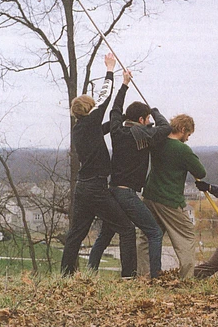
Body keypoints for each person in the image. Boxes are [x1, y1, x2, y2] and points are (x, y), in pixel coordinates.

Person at [87, 69, 172, 278]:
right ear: (142, 119)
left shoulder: (117, 131)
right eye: (147, 119)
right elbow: (166, 127)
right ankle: (155, 276)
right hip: (127, 194)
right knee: (154, 232)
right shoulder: (144, 135)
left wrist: (124, 84)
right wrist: (156, 110)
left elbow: (115, 110)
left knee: (105, 235)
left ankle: (89, 274)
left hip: (112, 190)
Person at [60, 53, 137, 278]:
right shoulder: (90, 122)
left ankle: (65, 276)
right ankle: (129, 276)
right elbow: (104, 98)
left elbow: (102, 129)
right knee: (126, 228)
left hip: (83, 188)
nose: (96, 108)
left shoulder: (80, 129)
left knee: (75, 234)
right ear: (88, 110)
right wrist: (112, 72)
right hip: (95, 188)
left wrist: (119, 119)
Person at [137, 114, 207, 279]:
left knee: (147, 236)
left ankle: (142, 275)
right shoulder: (183, 150)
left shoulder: (158, 141)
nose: (188, 139)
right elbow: (201, 172)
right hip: (170, 200)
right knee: (186, 235)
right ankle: (187, 278)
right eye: (188, 134)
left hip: (149, 196)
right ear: (182, 130)